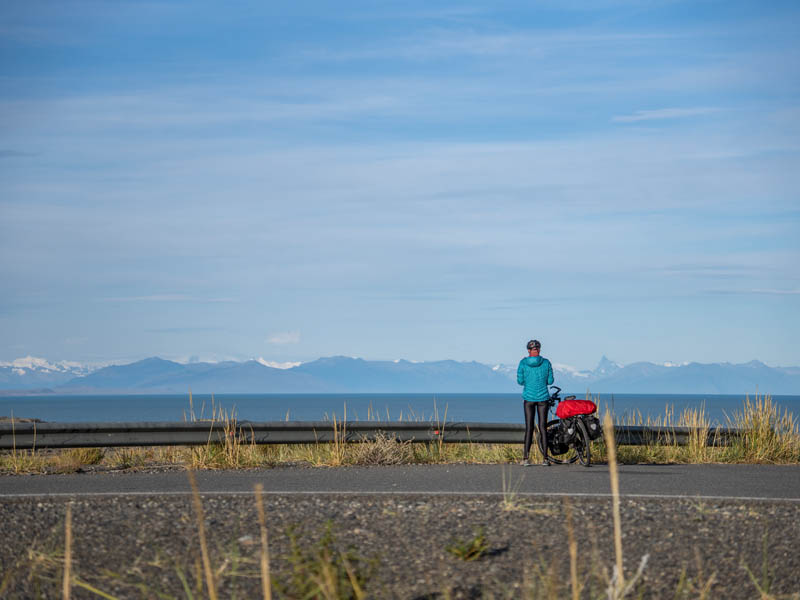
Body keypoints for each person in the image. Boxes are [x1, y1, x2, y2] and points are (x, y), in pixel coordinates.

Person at [516, 339, 554, 466]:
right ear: (539, 349)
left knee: (529, 428)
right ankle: (545, 459)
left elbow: (520, 381)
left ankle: (526, 458)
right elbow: (550, 381)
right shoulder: (546, 362)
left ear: (528, 350)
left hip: (529, 399)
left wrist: (528, 381)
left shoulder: (523, 363)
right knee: (543, 428)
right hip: (543, 398)